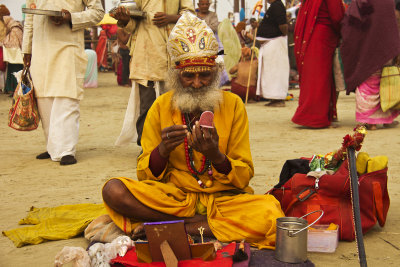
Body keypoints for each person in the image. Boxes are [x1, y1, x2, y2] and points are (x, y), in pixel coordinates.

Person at [102, 12, 284, 249]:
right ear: (177, 75)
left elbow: (244, 175)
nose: (197, 83)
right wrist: (163, 150)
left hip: (223, 199)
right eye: (189, 76)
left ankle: (173, 226)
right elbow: (144, 174)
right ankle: (198, 224)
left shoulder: (233, 105)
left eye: (205, 75)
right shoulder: (160, 106)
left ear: (215, 73)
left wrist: (216, 156)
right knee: (113, 191)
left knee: (270, 213)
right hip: (175, 197)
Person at [22, 0, 104, 165]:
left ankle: (66, 150)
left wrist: (71, 17)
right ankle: (53, 146)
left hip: (68, 46)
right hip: (40, 48)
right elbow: (30, 18)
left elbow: (97, 12)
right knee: (44, 99)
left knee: (67, 97)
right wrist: (27, 50)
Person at [112, 0, 195, 147]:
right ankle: (146, 145)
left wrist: (170, 18)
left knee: (174, 104)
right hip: (145, 54)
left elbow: (190, 16)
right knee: (147, 105)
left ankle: (177, 146)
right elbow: (132, 24)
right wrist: (125, 20)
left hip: (171, 50)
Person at [340, 0, 400, 130]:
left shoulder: (360, 2)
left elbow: (350, 23)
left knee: (367, 81)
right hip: (386, 46)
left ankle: (369, 121)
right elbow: (394, 23)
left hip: (366, 47)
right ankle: (385, 119)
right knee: (384, 81)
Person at [291, 0, 344, 128]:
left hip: (313, 34)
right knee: (320, 77)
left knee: (314, 76)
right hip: (323, 36)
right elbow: (337, 17)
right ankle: (314, 117)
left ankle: (315, 114)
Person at [256, 0, 289, 107]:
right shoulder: (274, 6)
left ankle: (278, 99)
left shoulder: (277, 5)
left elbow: (283, 25)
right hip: (270, 44)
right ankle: (274, 98)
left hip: (275, 43)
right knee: (270, 72)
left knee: (276, 71)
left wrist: (280, 35)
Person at [0, 4, 24, 96]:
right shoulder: (12, 28)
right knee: (10, 72)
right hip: (12, 56)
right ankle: (10, 89)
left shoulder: (15, 28)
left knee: (17, 72)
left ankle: (15, 90)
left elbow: (12, 42)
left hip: (17, 56)